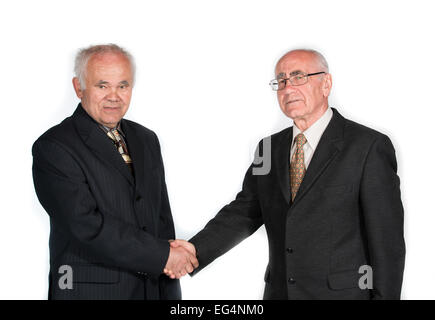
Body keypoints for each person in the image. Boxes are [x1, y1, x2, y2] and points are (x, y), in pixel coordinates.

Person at [166, 49, 405, 299]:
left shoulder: (368, 147)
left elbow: (387, 244)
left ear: (326, 84)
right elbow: (245, 211)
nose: (288, 88)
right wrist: (195, 250)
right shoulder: (268, 149)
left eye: (299, 76)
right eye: (281, 81)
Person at [32, 44, 198, 300]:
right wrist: (163, 255)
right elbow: (86, 225)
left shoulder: (146, 139)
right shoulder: (55, 147)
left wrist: (169, 275)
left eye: (123, 85)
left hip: (154, 289)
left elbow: (161, 219)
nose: (114, 96)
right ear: (79, 87)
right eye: (102, 85)